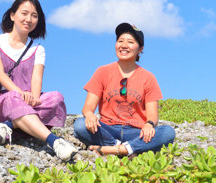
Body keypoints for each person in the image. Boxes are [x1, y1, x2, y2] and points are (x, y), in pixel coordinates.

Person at [0, 0, 77, 161]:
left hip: (26, 101)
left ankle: (8, 126)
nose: (29, 19)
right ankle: (55, 142)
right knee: (12, 97)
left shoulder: (38, 49)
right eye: (24, 13)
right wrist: (20, 94)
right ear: (12, 15)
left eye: (34, 15)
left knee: (56, 98)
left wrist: (34, 97)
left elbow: (36, 80)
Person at [74, 23, 175, 157]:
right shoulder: (102, 72)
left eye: (130, 42)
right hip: (107, 129)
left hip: (136, 131)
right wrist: (90, 115)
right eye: (120, 41)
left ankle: (117, 149)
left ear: (140, 49)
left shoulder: (148, 77)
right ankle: (125, 148)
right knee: (80, 125)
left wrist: (149, 125)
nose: (124, 45)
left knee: (168, 132)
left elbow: (153, 116)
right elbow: (88, 107)